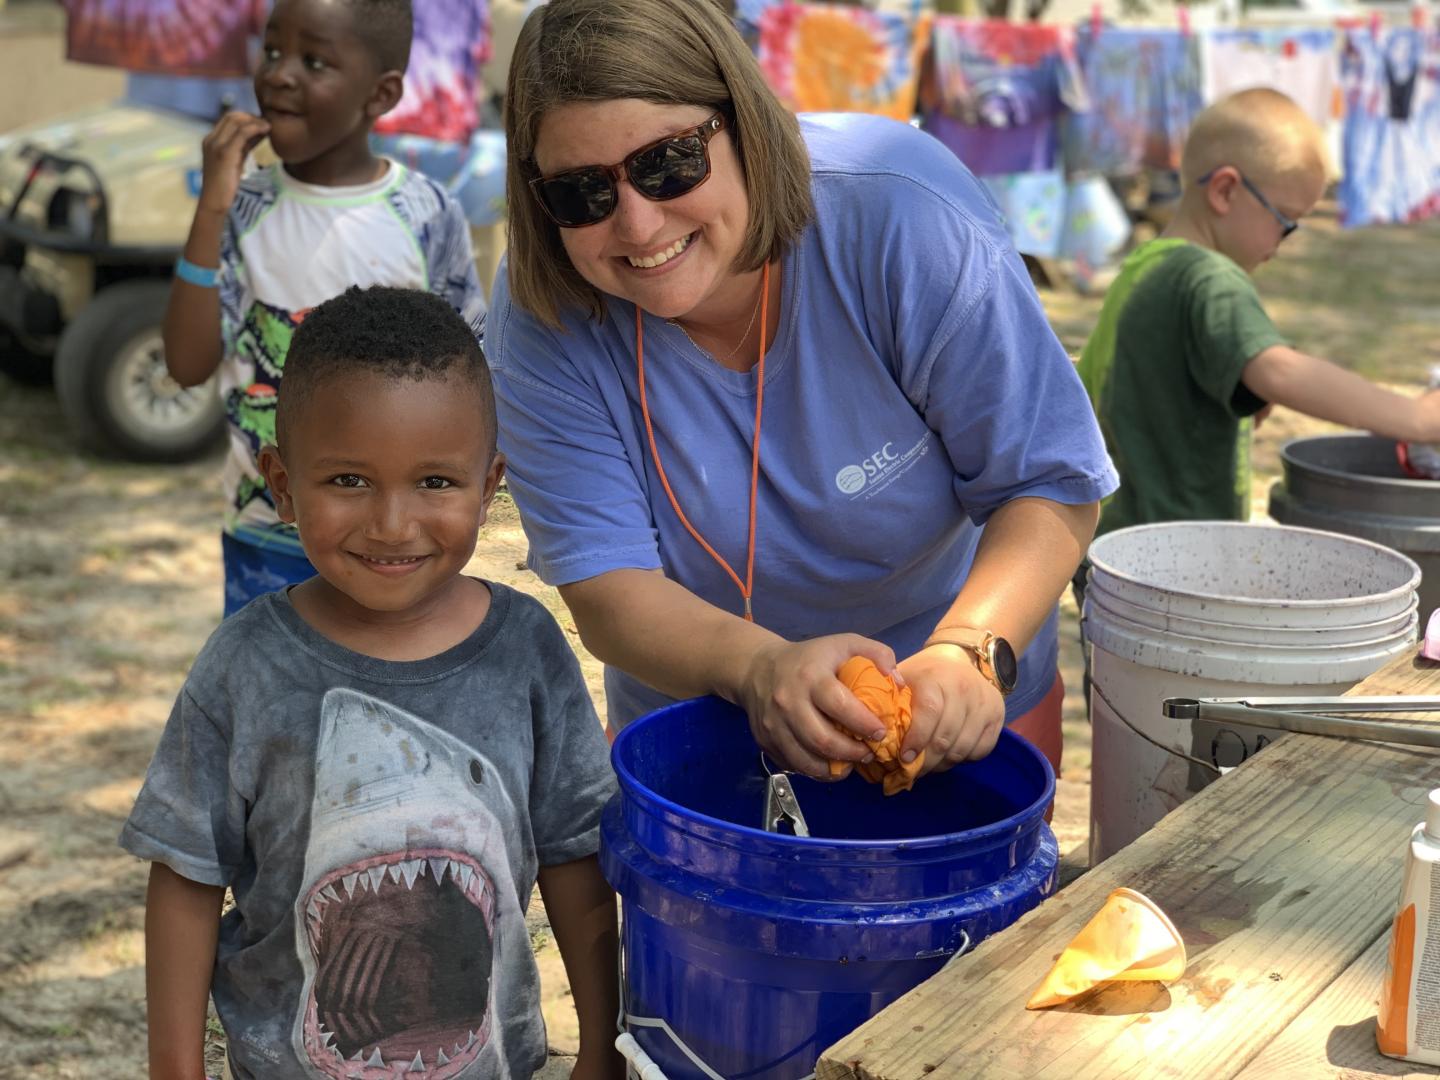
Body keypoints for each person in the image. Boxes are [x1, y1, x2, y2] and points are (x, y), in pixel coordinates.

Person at [488, 0, 1117, 782]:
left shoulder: (899, 212)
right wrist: (760, 669)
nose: (640, 226)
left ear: (742, 120)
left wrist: (967, 653)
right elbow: (611, 594)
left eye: (669, 164)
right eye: (583, 194)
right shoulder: (541, 311)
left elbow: (1049, 482)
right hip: (703, 725)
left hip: (954, 707)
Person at [121, 287, 621, 1080]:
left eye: (435, 483)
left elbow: (575, 857)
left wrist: (601, 1046)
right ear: (283, 485)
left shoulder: (528, 649)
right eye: (348, 481)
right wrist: (174, 1068)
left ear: (490, 484)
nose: (393, 524)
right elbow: (186, 875)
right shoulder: (244, 665)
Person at [161, 0, 488, 618]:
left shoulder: (425, 214)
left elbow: (472, 372)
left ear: (380, 92)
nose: (281, 74)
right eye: (273, 51)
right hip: (266, 534)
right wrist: (211, 209)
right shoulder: (240, 209)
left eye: (315, 61)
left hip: (396, 542)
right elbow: (185, 364)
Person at [1077, 88, 1440, 544]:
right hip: (1169, 559)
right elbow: (1282, 371)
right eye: (1284, 221)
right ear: (1226, 191)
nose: (1283, 242)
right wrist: (1418, 419)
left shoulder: (1146, 264)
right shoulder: (1209, 277)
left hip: (1115, 544)